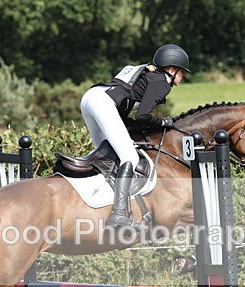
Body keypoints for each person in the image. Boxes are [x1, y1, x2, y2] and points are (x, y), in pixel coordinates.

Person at [80, 44, 191, 228]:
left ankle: (95, 199)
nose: (183, 76)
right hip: (102, 102)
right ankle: (119, 214)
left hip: (91, 97)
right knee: (130, 157)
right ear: (172, 70)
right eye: (182, 72)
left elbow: (126, 118)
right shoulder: (161, 82)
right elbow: (143, 116)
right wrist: (163, 123)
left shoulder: (148, 75)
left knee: (107, 154)